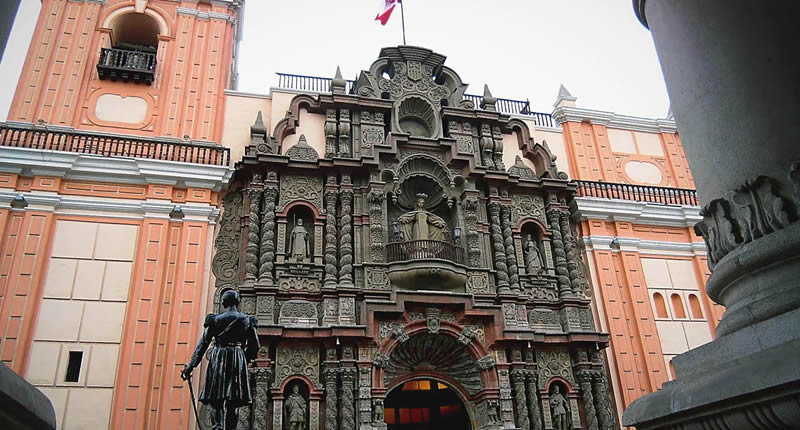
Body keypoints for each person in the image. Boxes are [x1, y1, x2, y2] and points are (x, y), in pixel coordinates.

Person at [182, 290, 259, 430]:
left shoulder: (215, 320)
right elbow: (255, 346)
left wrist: (190, 366)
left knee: (215, 400)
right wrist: (244, 358)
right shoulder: (247, 320)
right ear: (238, 302)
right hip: (237, 357)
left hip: (219, 358)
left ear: (223, 302)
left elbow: (203, 344)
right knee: (233, 402)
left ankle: (217, 427)